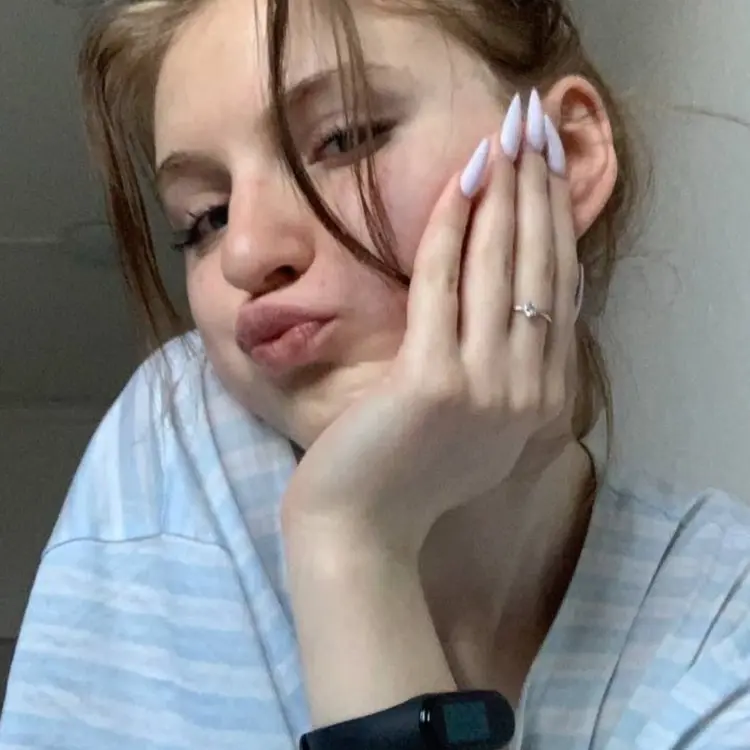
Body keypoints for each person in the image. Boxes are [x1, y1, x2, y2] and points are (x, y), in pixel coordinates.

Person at [1, 0, 748, 747]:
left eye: (345, 138)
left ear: (568, 155)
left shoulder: (725, 620)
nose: (245, 253)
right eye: (207, 217)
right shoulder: (180, 444)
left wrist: (351, 548)